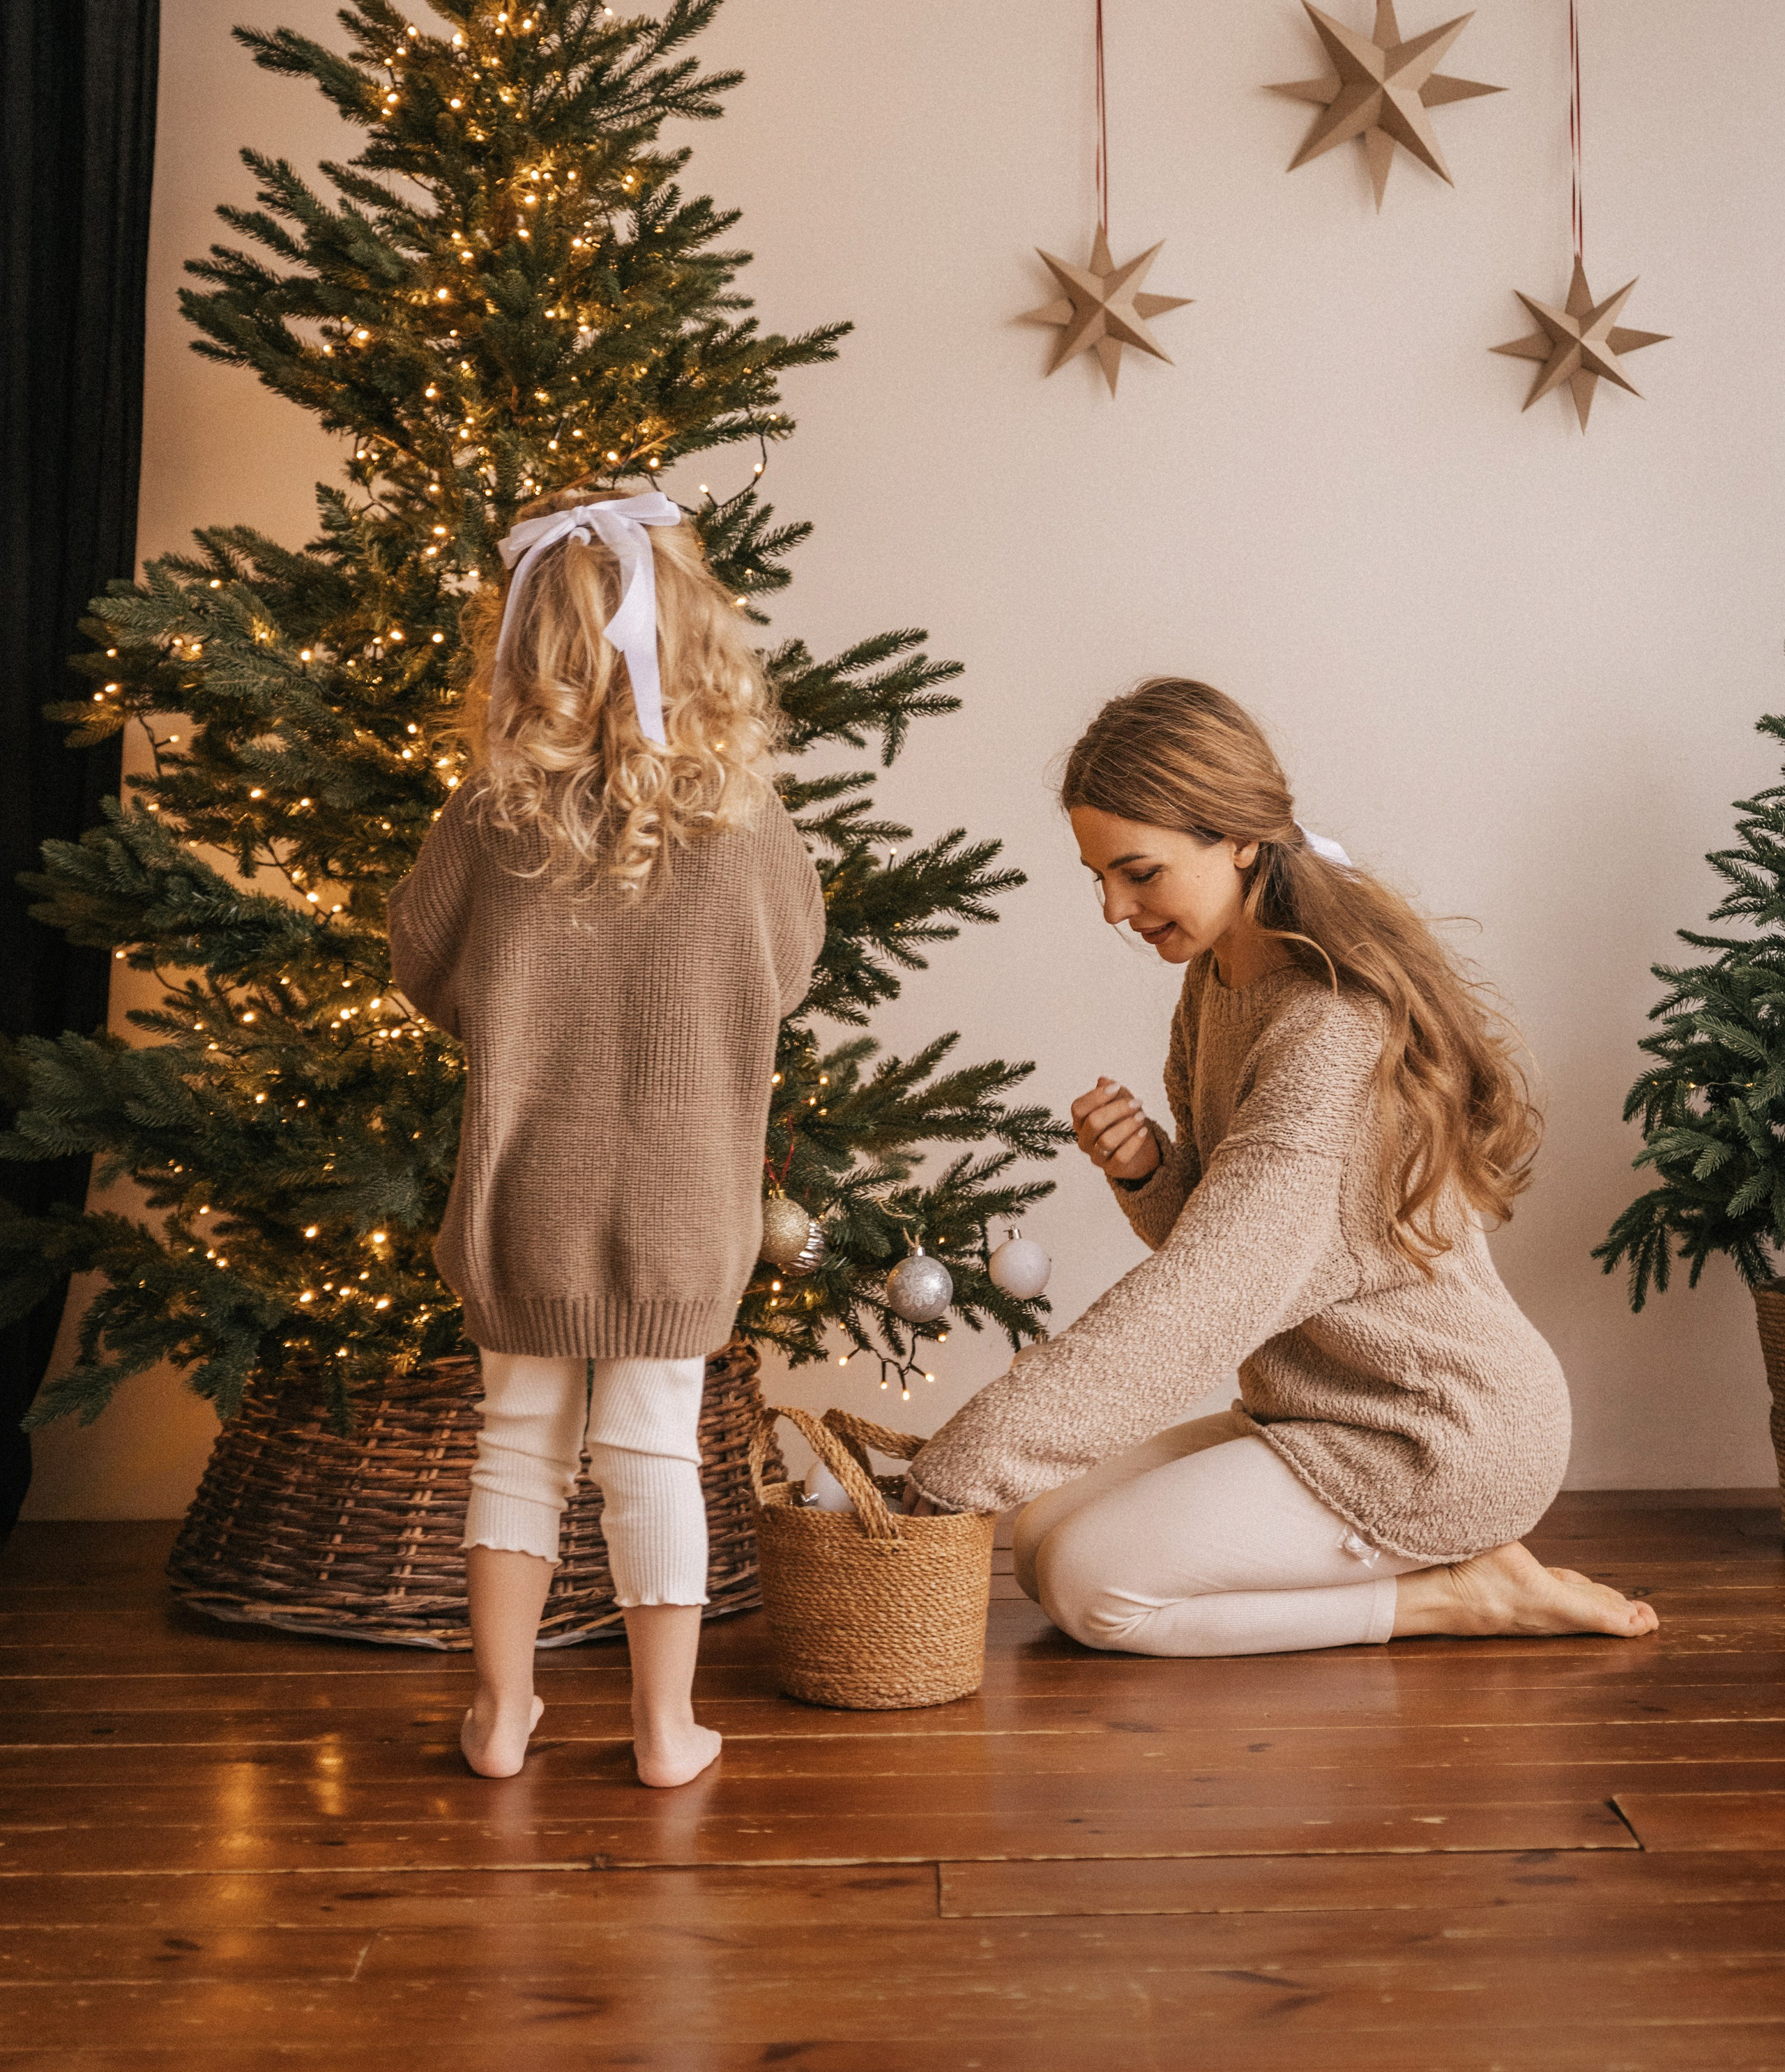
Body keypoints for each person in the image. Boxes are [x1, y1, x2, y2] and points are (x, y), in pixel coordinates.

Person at [906, 678, 1657, 1656]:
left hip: (1431, 1434)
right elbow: (1259, 1249)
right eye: (1098, 878)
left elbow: (1205, 1299)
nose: (1114, 909)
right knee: (1042, 1534)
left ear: (1238, 839)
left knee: (1092, 1587)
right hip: (1314, 1406)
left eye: (1139, 873)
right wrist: (1149, 1171)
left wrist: (957, 1465)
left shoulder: (1328, 1030)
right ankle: (1455, 1575)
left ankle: (1462, 1597)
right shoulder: (1218, 979)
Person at [390, 485, 825, 1782]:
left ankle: (501, 1716)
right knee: (653, 1449)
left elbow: (419, 959)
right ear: (695, 634)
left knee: (517, 1442)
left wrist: (520, 1009)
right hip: (686, 1199)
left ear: (524, 646)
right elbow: (792, 966)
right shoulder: (745, 821)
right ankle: (663, 1729)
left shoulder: (490, 816)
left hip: (526, 1186)